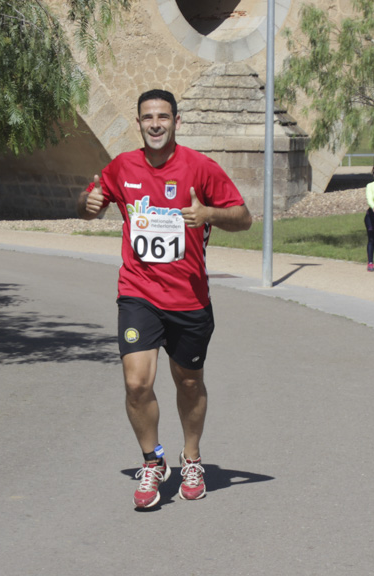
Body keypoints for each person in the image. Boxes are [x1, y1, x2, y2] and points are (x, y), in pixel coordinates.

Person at [76, 89, 252, 509]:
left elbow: (243, 218)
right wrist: (89, 202)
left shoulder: (201, 168)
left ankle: (191, 458)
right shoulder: (122, 167)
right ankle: (152, 462)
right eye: (147, 117)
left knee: (188, 382)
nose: (155, 123)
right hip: (138, 292)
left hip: (189, 297)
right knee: (137, 383)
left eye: (163, 116)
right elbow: (87, 204)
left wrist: (209, 215)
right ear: (138, 123)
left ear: (176, 120)